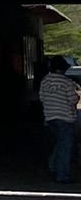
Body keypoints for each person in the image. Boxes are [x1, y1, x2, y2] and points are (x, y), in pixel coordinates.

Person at [37, 55, 78, 185]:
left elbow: (42, 98)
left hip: (50, 117)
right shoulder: (67, 82)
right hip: (65, 117)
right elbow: (73, 99)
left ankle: (53, 165)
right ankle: (62, 175)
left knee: (60, 143)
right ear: (63, 69)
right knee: (65, 146)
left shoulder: (45, 81)